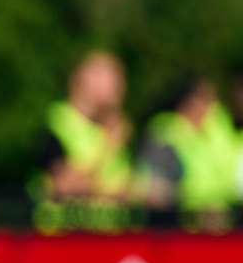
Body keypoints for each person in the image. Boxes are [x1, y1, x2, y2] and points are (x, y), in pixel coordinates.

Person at [32, 50, 139, 234]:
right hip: (65, 241)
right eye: (112, 76)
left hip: (109, 241)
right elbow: (64, 186)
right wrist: (109, 147)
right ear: (83, 80)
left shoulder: (107, 129)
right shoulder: (58, 124)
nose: (120, 86)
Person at [140, 75, 239, 232]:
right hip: (181, 222)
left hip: (226, 220)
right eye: (203, 99)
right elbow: (158, 189)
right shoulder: (167, 130)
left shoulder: (220, 129)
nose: (209, 107)